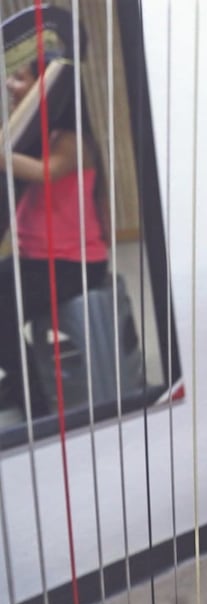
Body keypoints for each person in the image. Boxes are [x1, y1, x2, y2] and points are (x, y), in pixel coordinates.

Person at [0, 56, 110, 416]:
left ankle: (34, 398)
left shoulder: (73, 140)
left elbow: (47, 172)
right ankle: (22, 379)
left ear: (48, 87)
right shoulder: (38, 136)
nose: (10, 85)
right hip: (37, 259)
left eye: (18, 78)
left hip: (72, 263)